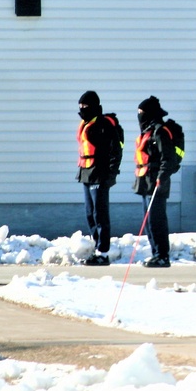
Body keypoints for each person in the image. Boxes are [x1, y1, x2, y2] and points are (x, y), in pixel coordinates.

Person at [76, 90, 121, 266]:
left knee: (100, 214)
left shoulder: (103, 125)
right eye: (80, 107)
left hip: (100, 174)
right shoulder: (85, 124)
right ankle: (97, 248)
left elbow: (115, 151)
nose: (82, 110)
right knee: (90, 214)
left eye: (85, 106)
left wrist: (111, 174)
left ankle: (104, 252)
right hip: (86, 173)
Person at [133, 96, 177, 268]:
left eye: (142, 113)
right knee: (149, 220)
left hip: (156, 181)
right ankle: (155, 253)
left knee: (156, 220)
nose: (140, 116)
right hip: (145, 181)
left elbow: (168, 158)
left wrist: (162, 177)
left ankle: (162, 255)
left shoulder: (160, 132)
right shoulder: (147, 132)